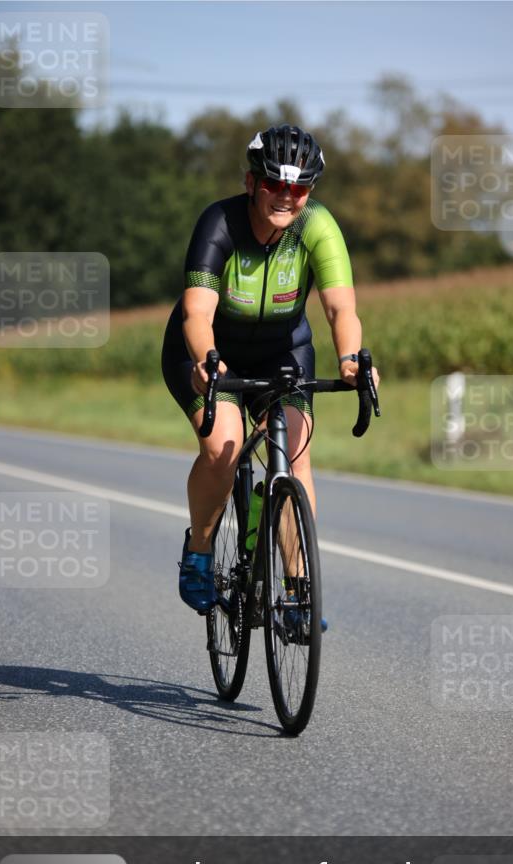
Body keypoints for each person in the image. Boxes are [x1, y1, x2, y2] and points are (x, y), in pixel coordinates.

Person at [162, 123, 377, 620]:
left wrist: (350, 359)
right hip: (207, 349)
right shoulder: (220, 223)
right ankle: (198, 549)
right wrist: (205, 360)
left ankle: (299, 589)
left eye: (298, 187)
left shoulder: (317, 227)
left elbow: (341, 309)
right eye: (276, 185)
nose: (286, 196)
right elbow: (196, 312)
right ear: (251, 182)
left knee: (296, 459)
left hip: (284, 350)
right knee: (223, 446)